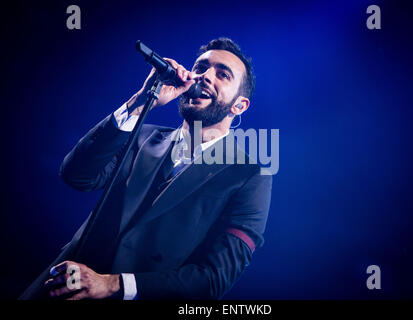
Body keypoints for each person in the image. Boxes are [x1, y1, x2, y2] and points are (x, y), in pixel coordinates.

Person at [20, 38, 273, 300]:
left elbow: (213, 279)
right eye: (201, 67)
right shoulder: (141, 136)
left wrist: (114, 284)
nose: (205, 76)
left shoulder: (249, 177)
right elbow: (77, 174)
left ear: (239, 105)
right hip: (59, 289)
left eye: (222, 74)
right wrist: (141, 102)